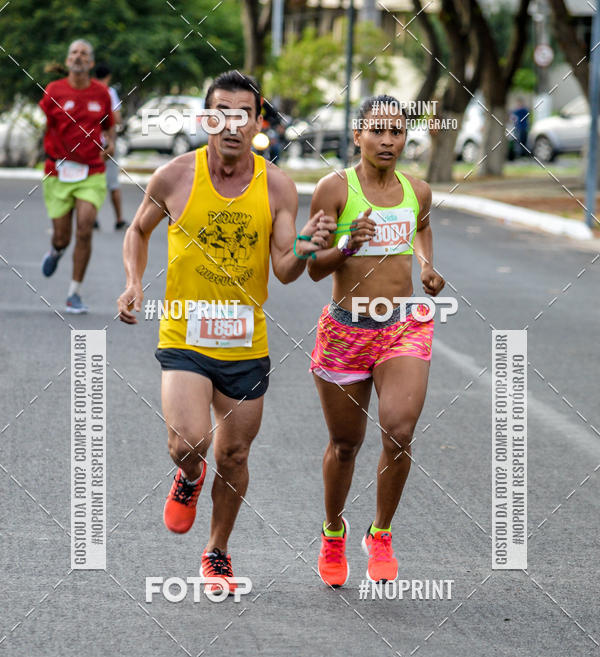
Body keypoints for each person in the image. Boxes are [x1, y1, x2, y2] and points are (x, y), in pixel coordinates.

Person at [117, 70, 334, 591]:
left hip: (244, 342)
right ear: (206, 118)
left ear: (258, 122)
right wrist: (133, 283)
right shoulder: (173, 176)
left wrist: (305, 246)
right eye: (222, 113)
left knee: (234, 455)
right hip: (185, 336)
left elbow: (284, 269)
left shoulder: (277, 185)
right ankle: (189, 478)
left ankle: (217, 549)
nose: (233, 125)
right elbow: (137, 230)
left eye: (245, 114)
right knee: (188, 444)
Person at [307, 94, 445, 587]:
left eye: (398, 132)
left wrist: (427, 267)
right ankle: (333, 531)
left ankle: (381, 533)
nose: (388, 141)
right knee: (346, 445)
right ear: (358, 136)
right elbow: (308, 262)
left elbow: (423, 229)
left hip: (402, 324)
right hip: (347, 328)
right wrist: (348, 245)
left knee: (400, 432)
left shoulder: (419, 191)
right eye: (378, 131)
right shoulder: (333, 189)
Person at [39, 39, 115, 313]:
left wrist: (112, 143)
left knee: (85, 227)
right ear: (68, 60)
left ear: (91, 63)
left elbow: (109, 126)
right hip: (58, 171)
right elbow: (45, 126)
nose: (78, 56)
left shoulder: (101, 93)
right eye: (73, 52)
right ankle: (56, 251)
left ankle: (74, 293)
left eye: (84, 53)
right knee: (63, 237)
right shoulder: (54, 90)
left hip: (91, 170)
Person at [95, 63, 128, 229]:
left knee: (92, 181)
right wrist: (113, 142)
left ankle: (91, 218)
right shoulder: (109, 92)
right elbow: (115, 118)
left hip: (90, 144)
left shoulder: (89, 91)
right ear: (108, 77)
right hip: (107, 144)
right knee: (113, 184)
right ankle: (119, 219)